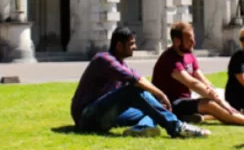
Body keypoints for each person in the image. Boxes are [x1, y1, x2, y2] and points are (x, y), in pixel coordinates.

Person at [71, 26, 210, 138]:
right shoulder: (104, 60)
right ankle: (177, 127)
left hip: (105, 114)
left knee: (153, 106)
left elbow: (138, 81)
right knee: (136, 91)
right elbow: (137, 80)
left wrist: (158, 99)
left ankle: (142, 128)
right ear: (119, 45)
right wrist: (162, 94)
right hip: (87, 117)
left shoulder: (121, 64)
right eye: (131, 44)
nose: (135, 47)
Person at [152, 22, 244, 126]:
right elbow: (192, 83)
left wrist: (214, 92)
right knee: (210, 104)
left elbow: (201, 79)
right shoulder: (170, 59)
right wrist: (219, 101)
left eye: (193, 38)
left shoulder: (189, 55)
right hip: (170, 103)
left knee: (220, 95)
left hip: (186, 99)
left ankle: (194, 116)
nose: (193, 43)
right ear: (177, 41)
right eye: (189, 40)